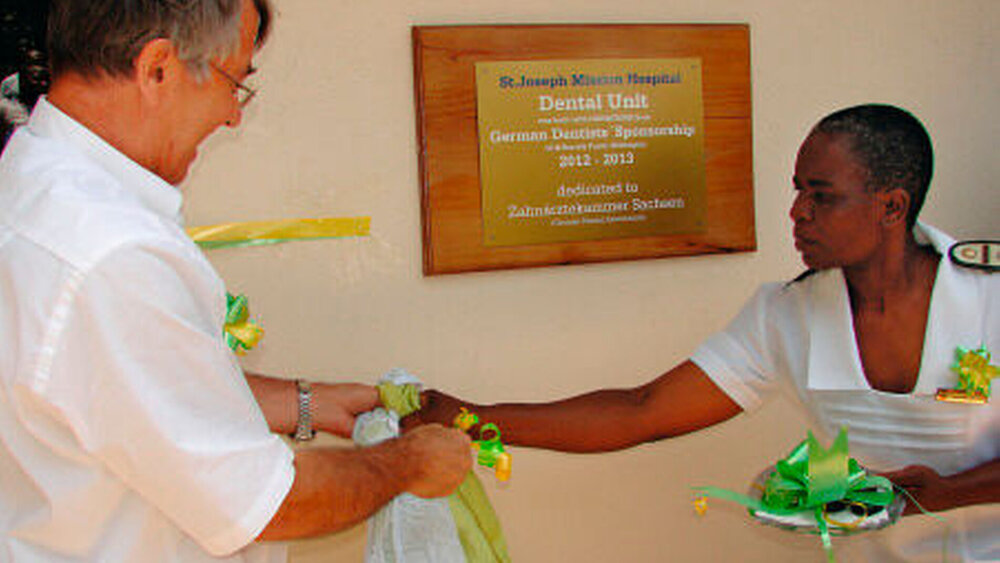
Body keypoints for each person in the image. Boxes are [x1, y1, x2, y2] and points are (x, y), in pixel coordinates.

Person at [409, 104, 999, 561]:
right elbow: (642, 411)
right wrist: (470, 417)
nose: (797, 212)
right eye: (797, 188)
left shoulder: (988, 295)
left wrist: (942, 492)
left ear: (892, 208)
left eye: (822, 196)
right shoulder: (786, 313)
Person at [0, 0, 471, 561]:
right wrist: (408, 463)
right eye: (234, 83)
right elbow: (267, 505)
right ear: (158, 68)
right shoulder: (111, 255)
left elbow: (121, 393)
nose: (232, 117)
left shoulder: (35, 178)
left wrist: (303, 403)